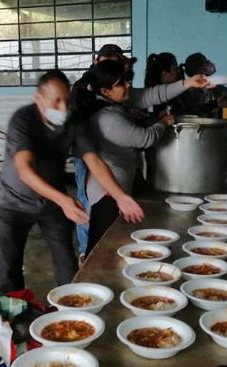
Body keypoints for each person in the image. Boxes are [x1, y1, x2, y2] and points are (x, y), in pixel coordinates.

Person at [0, 69, 144, 293]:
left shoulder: (74, 121)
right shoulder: (23, 120)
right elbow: (25, 171)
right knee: (10, 267)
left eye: (66, 101)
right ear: (39, 99)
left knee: (66, 259)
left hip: (52, 203)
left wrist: (120, 196)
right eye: (56, 102)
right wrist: (65, 201)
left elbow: (94, 161)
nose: (63, 109)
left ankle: (70, 311)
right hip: (14, 203)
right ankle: (12, 318)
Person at [84, 61, 210, 254]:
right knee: (103, 245)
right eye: (121, 83)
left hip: (123, 181)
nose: (127, 85)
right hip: (107, 191)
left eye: (126, 80)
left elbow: (153, 94)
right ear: (105, 91)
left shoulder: (116, 102)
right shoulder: (108, 118)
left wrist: (188, 83)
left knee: (118, 239)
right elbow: (145, 138)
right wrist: (163, 123)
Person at [69, 44, 137, 262]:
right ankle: (86, 252)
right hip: (85, 154)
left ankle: (90, 252)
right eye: (112, 61)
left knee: (93, 202)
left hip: (92, 154)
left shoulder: (106, 91)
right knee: (87, 202)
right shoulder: (86, 89)